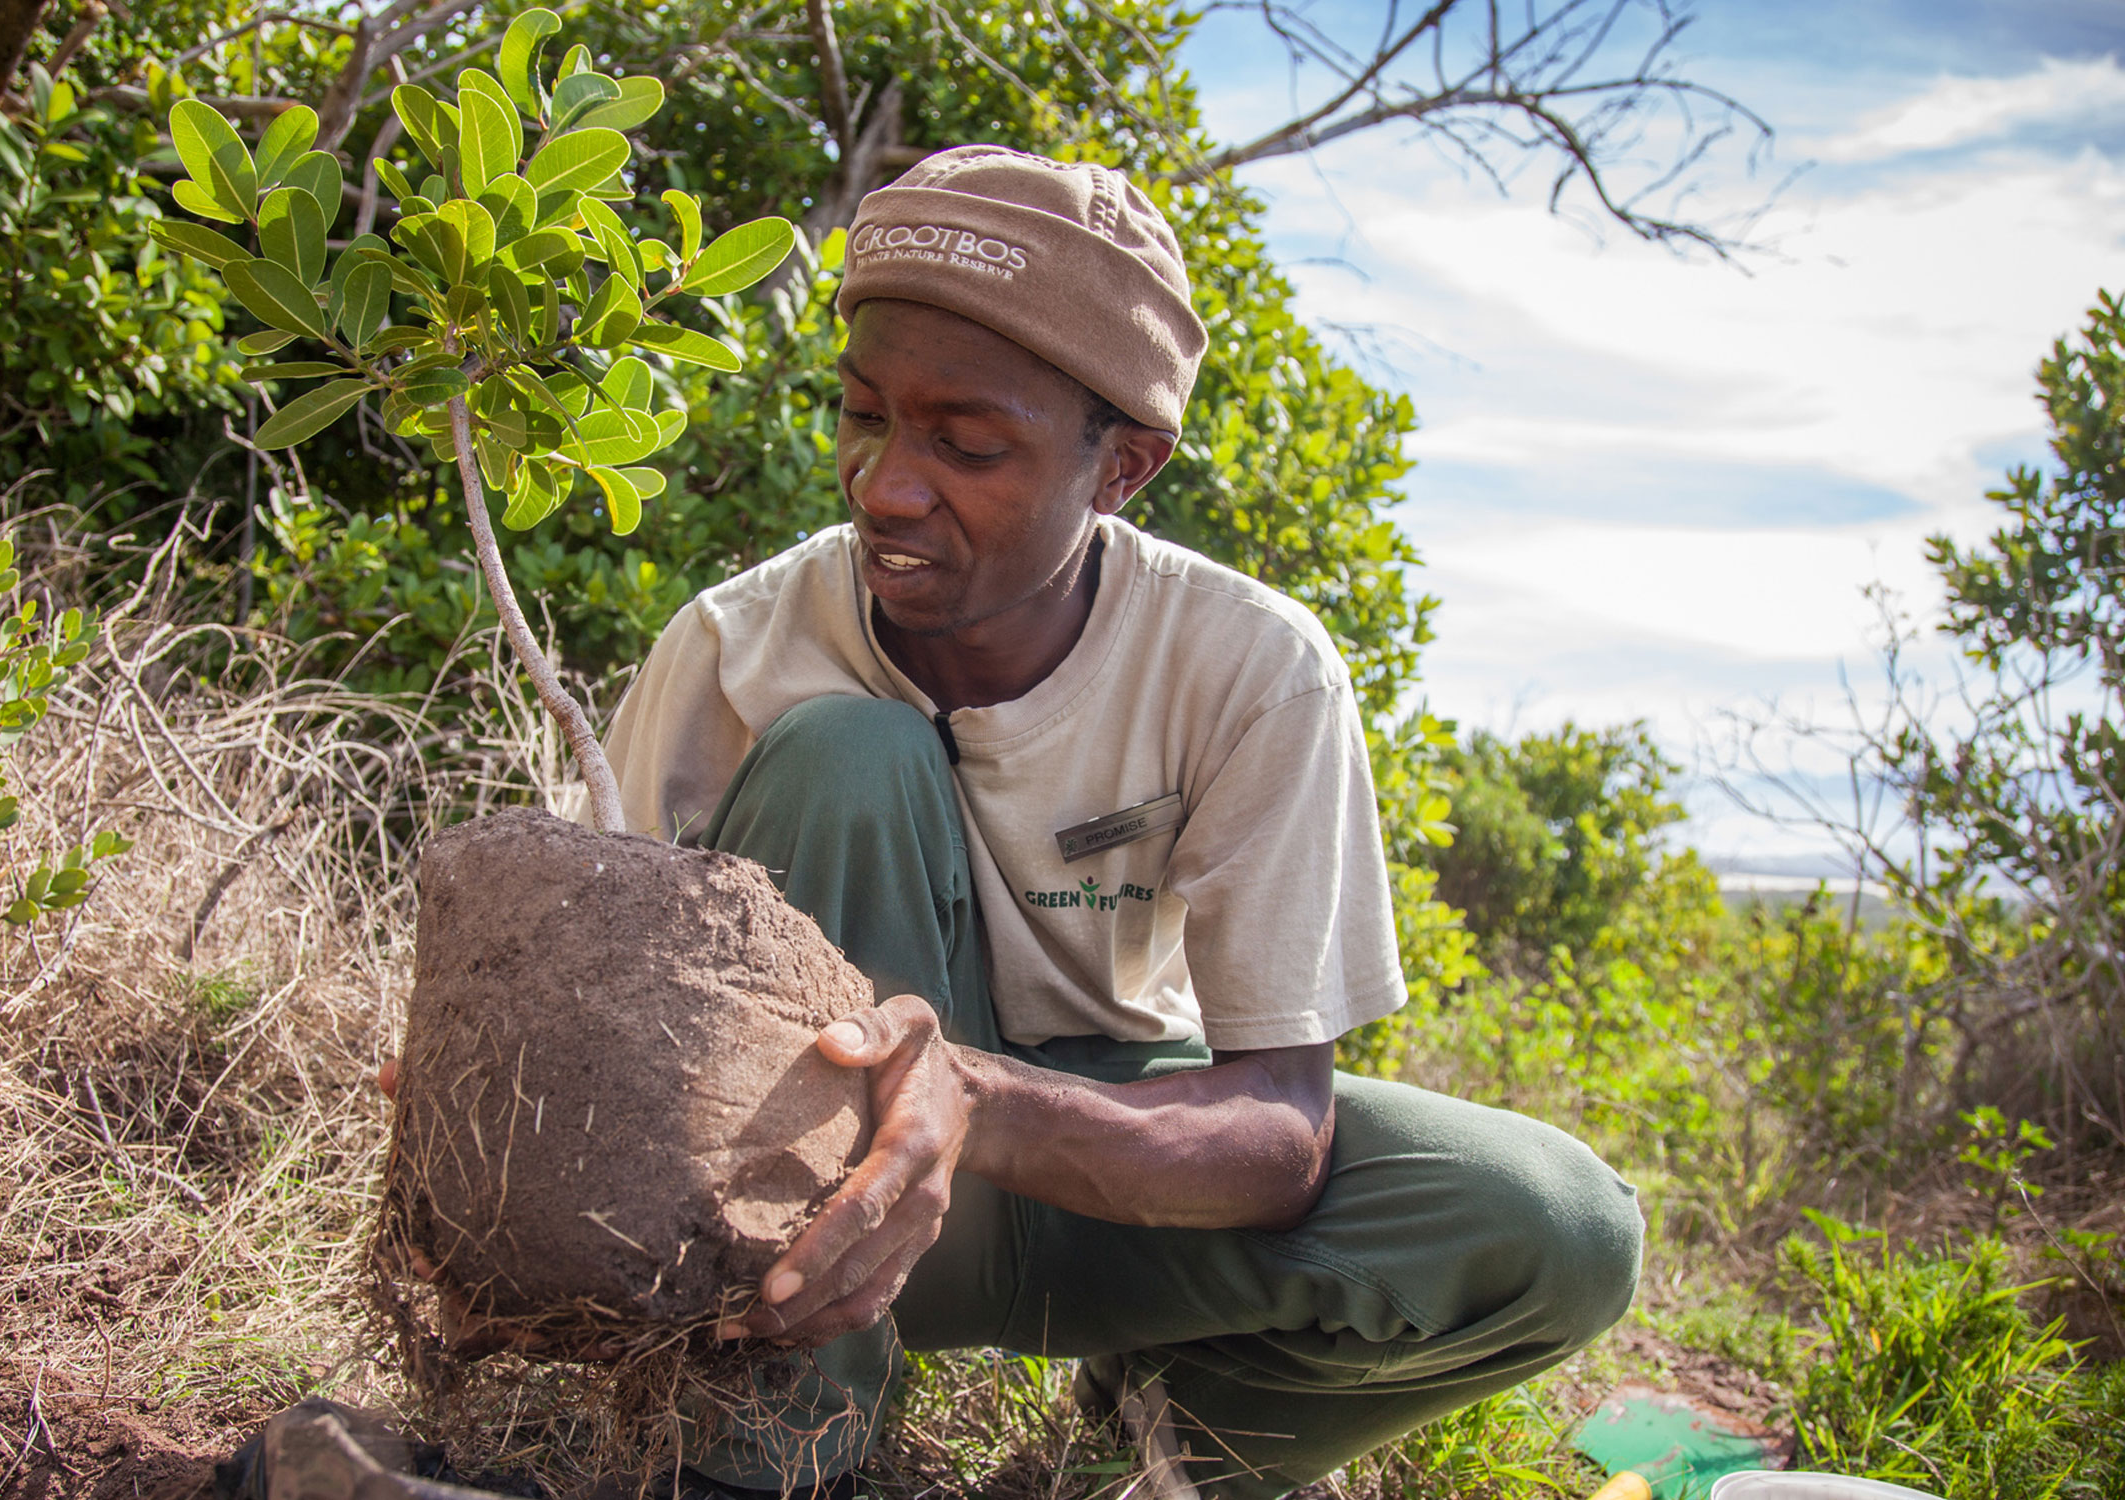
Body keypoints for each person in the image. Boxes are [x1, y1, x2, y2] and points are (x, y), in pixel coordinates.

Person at [598, 145, 1643, 1500]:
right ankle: (782, 1458)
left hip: (1096, 1188)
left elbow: (1277, 1129)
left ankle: (1137, 1459)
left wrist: (973, 1102)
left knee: (1556, 1230)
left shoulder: (1250, 666)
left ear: (1124, 469)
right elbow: (607, 1015)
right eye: (863, 416)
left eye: (966, 444)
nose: (884, 486)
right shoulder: (740, 648)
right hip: (799, 1224)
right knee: (847, 753)